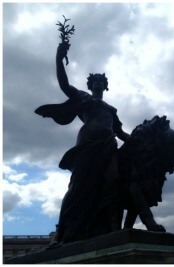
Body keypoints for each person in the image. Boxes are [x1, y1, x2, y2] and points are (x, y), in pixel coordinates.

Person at [36, 43, 131, 245]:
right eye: (94, 80)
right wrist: (58, 59)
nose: (97, 82)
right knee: (77, 188)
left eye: (101, 80)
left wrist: (142, 138)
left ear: (106, 85)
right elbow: (64, 85)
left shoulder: (111, 109)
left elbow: (121, 133)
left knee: (113, 181)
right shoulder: (84, 98)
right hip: (88, 145)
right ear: (90, 85)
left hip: (108, 146)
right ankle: (60, 233)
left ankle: (112, 229)